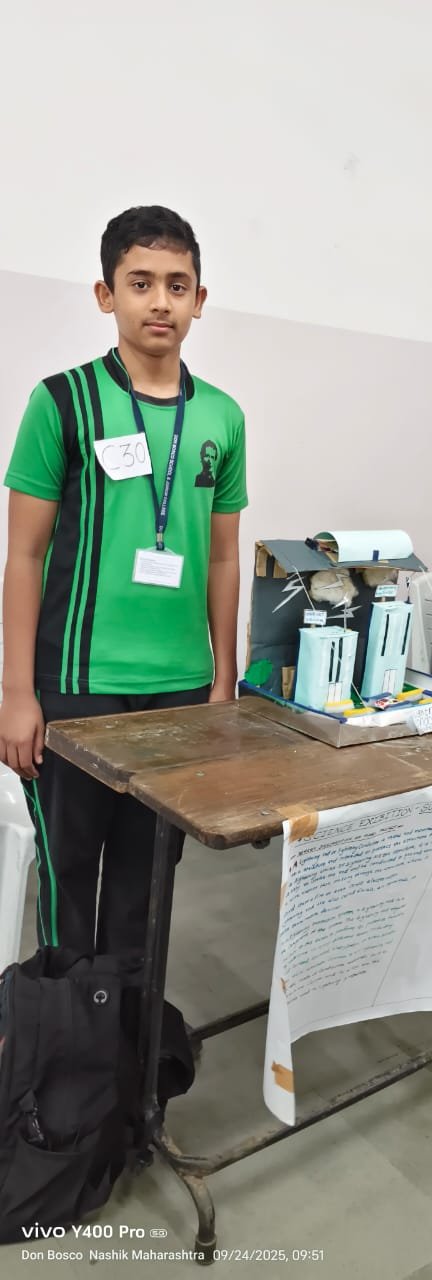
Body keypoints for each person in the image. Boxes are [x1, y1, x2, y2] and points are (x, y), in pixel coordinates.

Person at [0, 205, 248, 958]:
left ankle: (130, 1027)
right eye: (140, 283)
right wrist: (16, 693)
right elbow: (24, 556)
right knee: (69, 878)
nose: (160, 301)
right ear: (107, 295)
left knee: (149, 882)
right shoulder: (62, 401)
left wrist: (224, 680)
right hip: (77, 685)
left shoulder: (223, 417)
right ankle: (67, 1027)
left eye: (177, 285)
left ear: (200, 300)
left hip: (181, 690)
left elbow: (224, 558)